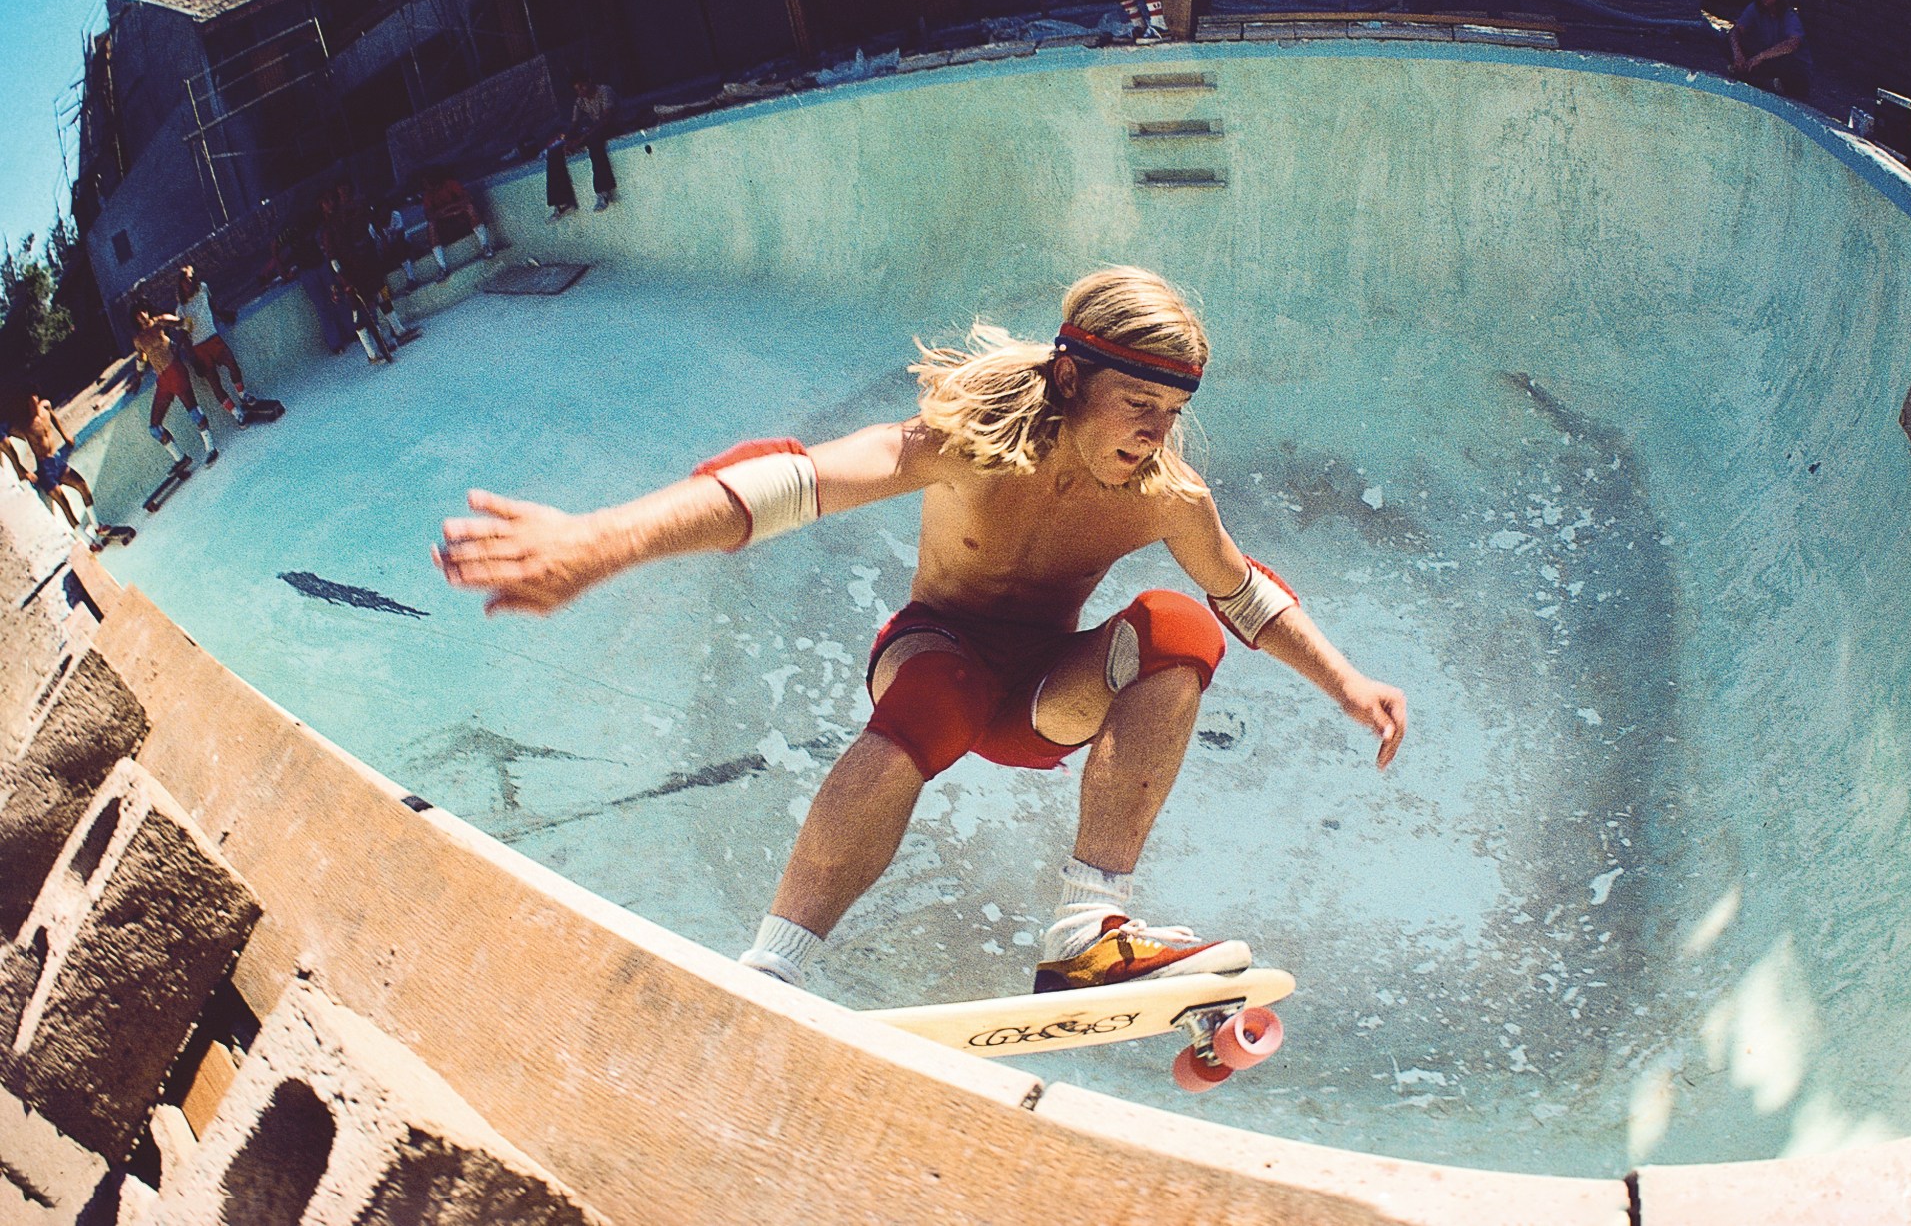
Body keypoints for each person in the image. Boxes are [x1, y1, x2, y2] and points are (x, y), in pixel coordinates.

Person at [434, 268, 1409, 994]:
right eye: (1137, 404)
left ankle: (1084, 928)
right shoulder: (964, 443)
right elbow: (789, 479)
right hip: (931, 658)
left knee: (1178, 624)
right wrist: (595, 543)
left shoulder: (1165, 497)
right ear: (1070, 376)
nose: (1155, 433)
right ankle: (774, 964)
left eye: (1172, 412)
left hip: (1043, 700)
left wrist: (1346, 682)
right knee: (942, 692)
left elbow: (1247, 598)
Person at [2, 391, 133, 550]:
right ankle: (89, 542)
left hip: (56, 461)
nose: (33, 406)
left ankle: (98, 526)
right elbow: (5, 439)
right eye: (29, 404)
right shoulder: (24, 424)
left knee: (81, 485)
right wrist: (21, 470)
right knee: (65, 504)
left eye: (34, 402)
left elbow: (54, 417)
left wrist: (65, 436)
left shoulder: (45, 407)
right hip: (45, 470)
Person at [317, 185, 414, 362]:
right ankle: (371, 352)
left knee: (381, 295)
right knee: (358, 310)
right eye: (326, 202)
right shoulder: (327, 230)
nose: (331, 203)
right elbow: (332, 257)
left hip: (364, 265)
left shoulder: (344, 217)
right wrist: (341, 277)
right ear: (321, 206)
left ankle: (398, 330)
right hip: (349, 273)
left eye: (332, 199)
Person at [130, 297, 219, 470]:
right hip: (163, 379)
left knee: (193, 410)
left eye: (143, 310)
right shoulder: (139, 339)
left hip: (175, 370)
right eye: (137, 314)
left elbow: (185, 324)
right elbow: (141, 358)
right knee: (154, 427)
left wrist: (184, 347)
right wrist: (138, 378)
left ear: (147, 310)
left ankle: (211, 447)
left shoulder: (160, 322)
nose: (141, 315)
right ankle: (180, 458)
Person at [175, 264, 262, 426]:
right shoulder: (181, 309)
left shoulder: (202, 289)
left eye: (192, 278)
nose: (190, 283)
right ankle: (237, 414)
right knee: (215, 384)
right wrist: (193, 360)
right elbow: (185, 336)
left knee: (232, 363)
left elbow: (212, 306)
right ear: (181, 283)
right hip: (199, 347)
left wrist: (224, 314)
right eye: (186, 280)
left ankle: (243, 394)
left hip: (213, 339)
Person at [1727, 0, 1811, 100]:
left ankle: (1770, 82)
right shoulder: (1755, 8)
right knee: (1727, 42)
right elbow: (1736, 31)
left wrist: (1761, 56)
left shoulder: (1789, 15)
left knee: (1788, 67)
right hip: (1767, 58)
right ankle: (1755, 76)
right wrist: (1737, 54)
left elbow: (1792, 43)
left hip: (1788, 63)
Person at [546, 73, 619, 217]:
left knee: (594, 142)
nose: (581, 91)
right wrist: (567, 141)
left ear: (590, 81)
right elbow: (574, 124)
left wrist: (582, 138)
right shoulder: (580, 101)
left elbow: (606, 118)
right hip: (595, 130)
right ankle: (562, 202)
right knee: (555, 151)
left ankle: (603, 192)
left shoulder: (604, 91)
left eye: (583, 86)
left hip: (613, 126)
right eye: (578, 89)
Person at [419, 170, 497, 279]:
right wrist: (450, 210)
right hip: (446, 225)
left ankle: (486, 246)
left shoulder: (450, 184)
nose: (426, 185)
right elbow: (430, 215)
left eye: (427, 181)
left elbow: (467, 199)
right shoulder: (428, 195)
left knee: (470, 208)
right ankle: (442, 267)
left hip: (462, 218)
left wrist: (445, 210)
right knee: (431, 226)